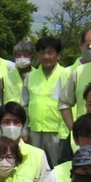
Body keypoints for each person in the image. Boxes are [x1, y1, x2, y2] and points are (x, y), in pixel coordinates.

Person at [22, 36, 69, 166]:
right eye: (42, 52)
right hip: (35, 130)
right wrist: (24, 130)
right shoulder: (31, 76)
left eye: (50, 52)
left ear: (58, 55)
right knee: (35, 166)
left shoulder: (66, 74)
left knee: (57, 167)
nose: (46, 56)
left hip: (57, 132)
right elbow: (24, 105)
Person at [0, 101, 51, 182]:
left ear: (23, 125)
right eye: (6, 122)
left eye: (16, 122)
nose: (11, 126)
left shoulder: (38, 155)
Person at [7, 40, 33, 104]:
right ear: (14, 56)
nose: (22, 57)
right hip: (11, 112)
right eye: (19, 55)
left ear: (31, 56)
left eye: (25, 55)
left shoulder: (38, 75)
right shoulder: (6, 76)